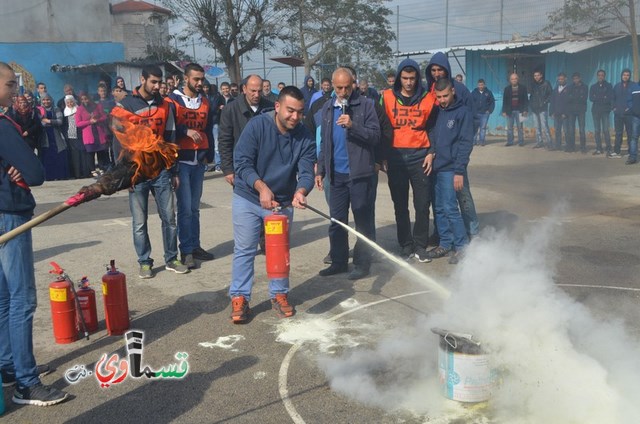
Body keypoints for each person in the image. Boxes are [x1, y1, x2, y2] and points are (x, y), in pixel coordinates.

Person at [0, 61, 69, 406]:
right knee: (22, 299)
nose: (16, 91)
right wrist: (15, 168)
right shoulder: (2, 126)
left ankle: (9, 367)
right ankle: (27, 382)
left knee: (2, 298)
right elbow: (35, 172)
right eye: (10, 84)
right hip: (10, 216)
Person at [229, 86, 315, 323]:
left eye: (299, 112)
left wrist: (301, 190)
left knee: (279, 250)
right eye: (290, 111)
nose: (295, 117)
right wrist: (261, 187)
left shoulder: (304, 135)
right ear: (277, 107)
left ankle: (279, 293)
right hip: (248, 197)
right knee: (245, 248)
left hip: (281, 204)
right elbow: (242, 162)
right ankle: (240, 296)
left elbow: (307, 171)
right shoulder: (257, 126)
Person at [110, 65, 189, 278]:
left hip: (161, 171)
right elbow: (117, 141)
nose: (157, 86)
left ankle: (172, 258)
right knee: (139, 222)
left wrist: (173, 171)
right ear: (142, 79)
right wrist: (124, 174)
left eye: (159, 82)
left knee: (169, 219)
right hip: (137, 172)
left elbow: (171, 138)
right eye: (153, 82)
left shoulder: (166, 106)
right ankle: (145, 262)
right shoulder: (125, 105)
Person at [315, 68, 380, 280]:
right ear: (332, 86)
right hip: (337, 176)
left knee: (363, 220)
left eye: (347, 87)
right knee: (337, 221)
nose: (343, 92)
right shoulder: (327, 108)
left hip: (359, 174)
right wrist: (321, 169)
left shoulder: (366, 105)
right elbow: (325, 142)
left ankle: (362, 263)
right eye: (338, 87)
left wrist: (353, 125)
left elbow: (375, 136)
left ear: (353, 84)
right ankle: (339, 261)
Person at [379, 59, 436, 261]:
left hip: (420, 156)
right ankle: (405, 244)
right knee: (400, 204)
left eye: (412, 78)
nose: (409, 82)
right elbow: (380, 127)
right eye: (405, 78)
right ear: (399, 78)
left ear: (418, 78)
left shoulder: (429, 99)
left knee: (422, 204)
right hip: (395, 157)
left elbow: (434, 128)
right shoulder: (385, 97)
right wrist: (382, 156)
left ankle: (420, 245)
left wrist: (432, 151)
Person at [426, 53, 479, 240]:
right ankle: (442, 234)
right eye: (433, 70)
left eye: (440, 69)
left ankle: (471, 231)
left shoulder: (460, 90)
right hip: (439, 158)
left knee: (461, 195)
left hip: (455, 158)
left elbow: (471, 121)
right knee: (440, 203)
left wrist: (459, 152)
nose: (437, 73)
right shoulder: (429, 90)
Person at [167, 63, 215, 268]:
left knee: (194, 208)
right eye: (196, 79)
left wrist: (209, 155)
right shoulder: (172, 101)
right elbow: (167, 129)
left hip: (199, 161)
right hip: (181, 161)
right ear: (185, 78)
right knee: (185, 208)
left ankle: (194, 245)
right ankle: (185, 250)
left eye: (202, 79)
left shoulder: (205, 101)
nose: (199, 83)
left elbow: (209, 128)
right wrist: (184, 131)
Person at [428, 78, 473, 264]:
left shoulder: (463, 113)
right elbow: (431, 135)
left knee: (450, 208)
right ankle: (445, 243)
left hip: (451, 169)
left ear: (453, 91)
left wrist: (459, 171)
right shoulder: (437, 111)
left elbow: (465, 143)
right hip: (436, 168)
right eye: (439, 97)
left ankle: (462, 246)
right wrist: (431, 152)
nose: (442, 100)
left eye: (445, 95)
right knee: (438, 208)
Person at [218, 74, 274, 187]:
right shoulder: (231, 109)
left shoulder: (270, 108)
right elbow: (225, 141)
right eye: (253, 91)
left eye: (259, 91)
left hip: (267, 168)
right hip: (241, 167)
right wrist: (228, 169)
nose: (256, 95)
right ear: (244, 89)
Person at [76, 92, 110, 173]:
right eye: (83, 99)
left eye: (86, 98)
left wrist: (97, 120)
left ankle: (103, 169)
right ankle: (92, 171)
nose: (85, 101)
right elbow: (78, 123)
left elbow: (104, 116)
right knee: (90, 154)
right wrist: (89, 122)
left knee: (101, 152)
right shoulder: (79, 109)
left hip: (99, 133)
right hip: (89, 135)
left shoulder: (97, 106)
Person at [39, 94, 69, 181]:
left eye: (48, 100)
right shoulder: (39, 110)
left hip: (56, 135)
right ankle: (49, 176)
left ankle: (60, 175)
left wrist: (48, 121)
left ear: (51, 100)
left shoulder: (56, 109)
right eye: (44, 100)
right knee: (48, 156)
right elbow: (40, 122)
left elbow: (60, 121)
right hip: (45, 137)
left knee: (58, 155)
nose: (46, 102)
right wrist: (49, 122)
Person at [589, 70, 614, 155]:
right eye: (599, 75)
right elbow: (591, 98)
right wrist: (603, 97)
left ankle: (609, 148)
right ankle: (599, 148)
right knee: (597, 130)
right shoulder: (593, 86)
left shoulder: (609, 86)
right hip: (595, 111)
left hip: (605, 111)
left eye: (602, 75)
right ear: (597, 76)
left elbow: (610, 97)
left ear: (604, 76)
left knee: (606, 130)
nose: (600, 77)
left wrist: (599, 97)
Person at [611, 68, 633, 158]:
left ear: (629, 76)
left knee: (630, 133)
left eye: (627, 75)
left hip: (629, 114)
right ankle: (617, 152)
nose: (626, 77)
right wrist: (614, 107)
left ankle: (631, 152)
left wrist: (631, 108)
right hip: (618, 114)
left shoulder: (633, 86)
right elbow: (612, 98)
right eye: (624, 75)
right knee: (618, 133)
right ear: (621, 76)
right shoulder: (617, 86)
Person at [501, 73, 528, 146]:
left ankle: (521, 142)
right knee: (510, 128)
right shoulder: (507, 89)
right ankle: (510, 142)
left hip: (520, 111)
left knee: (520, 127)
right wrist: (503, 111)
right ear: (510, 80)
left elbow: (526, 99)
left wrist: (525, 110)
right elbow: (504, 101)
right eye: (512, 79)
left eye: (515, 78)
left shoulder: (523, 88)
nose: (514, 80)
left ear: (518, 79)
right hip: (510, 111)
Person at [529, 70, 553, 149]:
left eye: (538, 75)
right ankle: (539, 142)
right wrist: (531, 104)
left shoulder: (546, 83)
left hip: (542, 108)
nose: (536, 77)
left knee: (544, 126)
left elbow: (551, 95)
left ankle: (549, 143)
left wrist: (544, 102)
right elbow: (531, 96)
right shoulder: (533, 84)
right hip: (534, 108)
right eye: (535, 75)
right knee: (537, 127)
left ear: (541, 75)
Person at [566, 72, 588, 153]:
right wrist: (577, 97)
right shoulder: (570, 87)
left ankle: (583, 147)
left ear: (580, 78)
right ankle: (571, 147)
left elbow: (584, 98)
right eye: (574, 79)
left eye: (577, 78)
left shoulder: (585, 87)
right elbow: (568, 98)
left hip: (581, 110)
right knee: (571, 129)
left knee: (582, 129)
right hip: (571, 111)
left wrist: (573, 97)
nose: (576, 80)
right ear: (572, 79)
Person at [470, 79, 495, 146]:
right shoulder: (474, 92)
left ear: (484, 85)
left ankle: (481, 141)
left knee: (483, 128)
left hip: (484, 114)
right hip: (475, 114)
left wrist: (489, 111)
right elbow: (470, 102)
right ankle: (473, 141)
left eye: (482, 85)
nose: (480, 86)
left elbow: (492, 102)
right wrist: (472, 111)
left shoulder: (488, 92)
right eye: (479, 85)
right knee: (474, 128)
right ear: (477, 85)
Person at [550, 72, 570, 151]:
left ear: (566, 79)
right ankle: (557, 145)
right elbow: (552, 101)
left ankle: (568, 146)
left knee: (566, 131)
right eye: (559, 79)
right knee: (557, 130)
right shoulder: (555, 90)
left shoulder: (569, 89)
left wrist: (566, 113)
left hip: (565, 115)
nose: (560, 80)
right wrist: (551, 112)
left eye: (562, 79)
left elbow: (569, 103)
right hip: (556, 114)